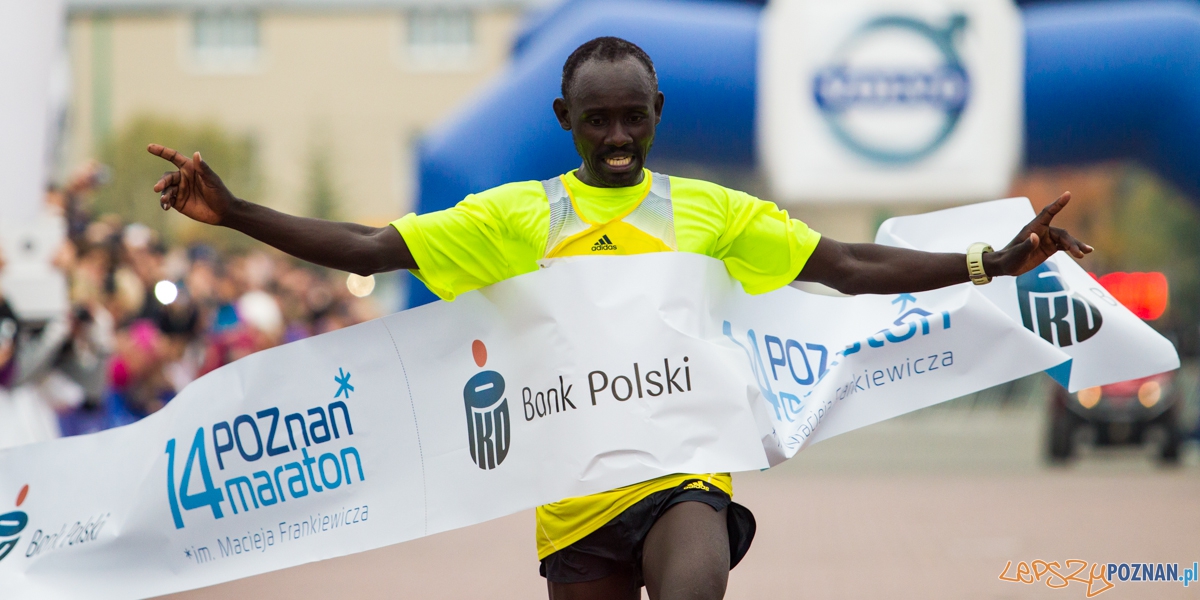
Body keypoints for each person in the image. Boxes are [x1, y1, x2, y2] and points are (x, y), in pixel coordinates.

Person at [147, 36, 1091, 600]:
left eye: (633, 118)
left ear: (658, 112)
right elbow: (368, 247)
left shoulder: (709, 212)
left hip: (683, 472)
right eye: (596, 120)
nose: (616, 138)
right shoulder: (519, 218)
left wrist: (985, 260)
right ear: (563, 115)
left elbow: (846, 266)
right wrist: (234, 214)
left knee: (695, 579)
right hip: (573, 498)